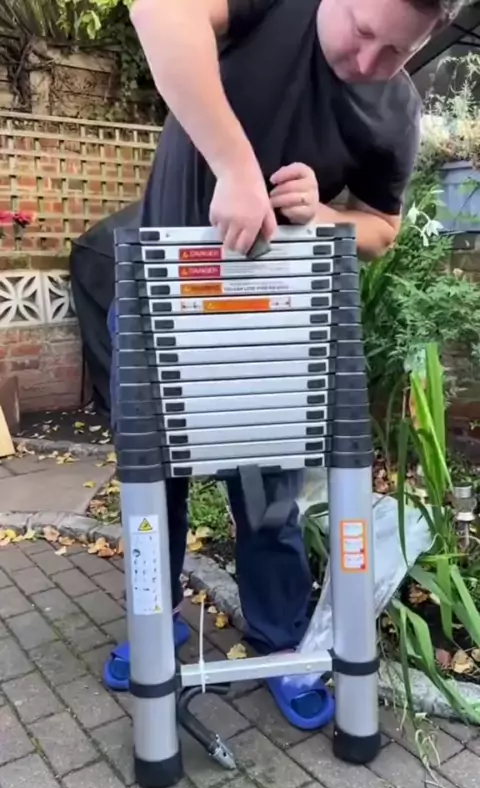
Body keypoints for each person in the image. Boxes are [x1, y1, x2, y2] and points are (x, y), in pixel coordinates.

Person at [104, 0, 464, 729]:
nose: (368, 63)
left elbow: (382, 228)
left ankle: (282, 643)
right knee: (153, 488)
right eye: (364, 31)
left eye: (396, 52)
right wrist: (236, 166)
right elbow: (158, 11)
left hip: (271, 324)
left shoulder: (395, 109)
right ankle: (155, 625)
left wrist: (321, 216)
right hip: (161, 297)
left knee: (270, 499)